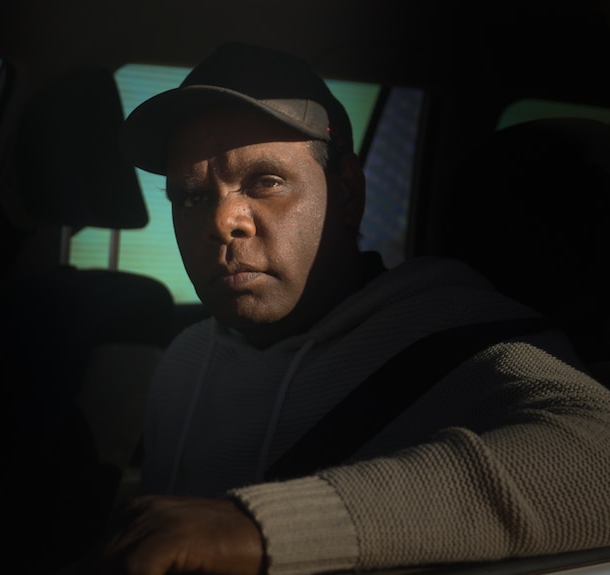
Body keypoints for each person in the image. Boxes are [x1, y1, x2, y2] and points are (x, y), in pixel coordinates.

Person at [87, 42, 610, 574]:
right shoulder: (182, 362)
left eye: (265, 182)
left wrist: (256, 528)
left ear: (348, 193)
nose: (223, 221)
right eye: (193, 197)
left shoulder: (461, 338)